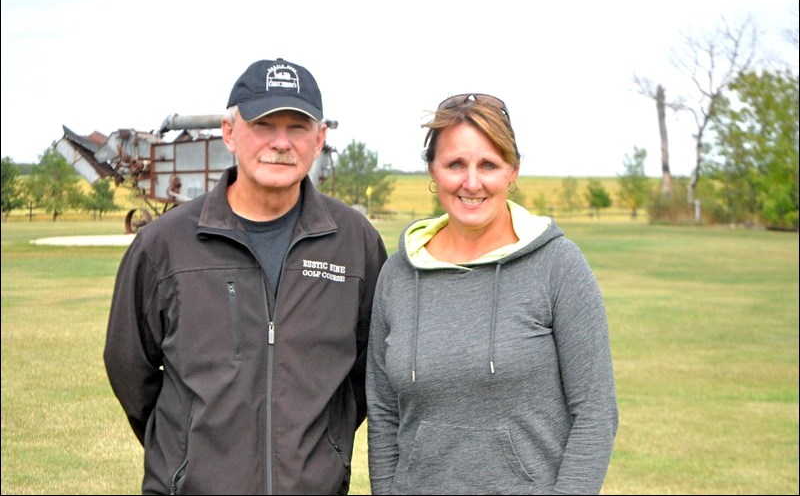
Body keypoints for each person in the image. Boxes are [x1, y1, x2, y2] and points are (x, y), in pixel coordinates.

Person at [104, 58, 388, 495]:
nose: (280, 142)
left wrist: (327, 448)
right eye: (263, 124)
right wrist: (185, 454)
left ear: (320, 139)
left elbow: (367, 373)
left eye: (297, 127)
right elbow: (130, 369)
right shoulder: (164, 245)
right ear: (230, 132)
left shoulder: (355, 243)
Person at [366, 93, 618, 494]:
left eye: (488, 164)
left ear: (513, 171)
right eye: (455, 164)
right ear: (433, 170)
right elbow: (381, 413)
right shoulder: (397, 274)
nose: (471, 182)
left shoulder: (558, 265)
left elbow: (595, 412)